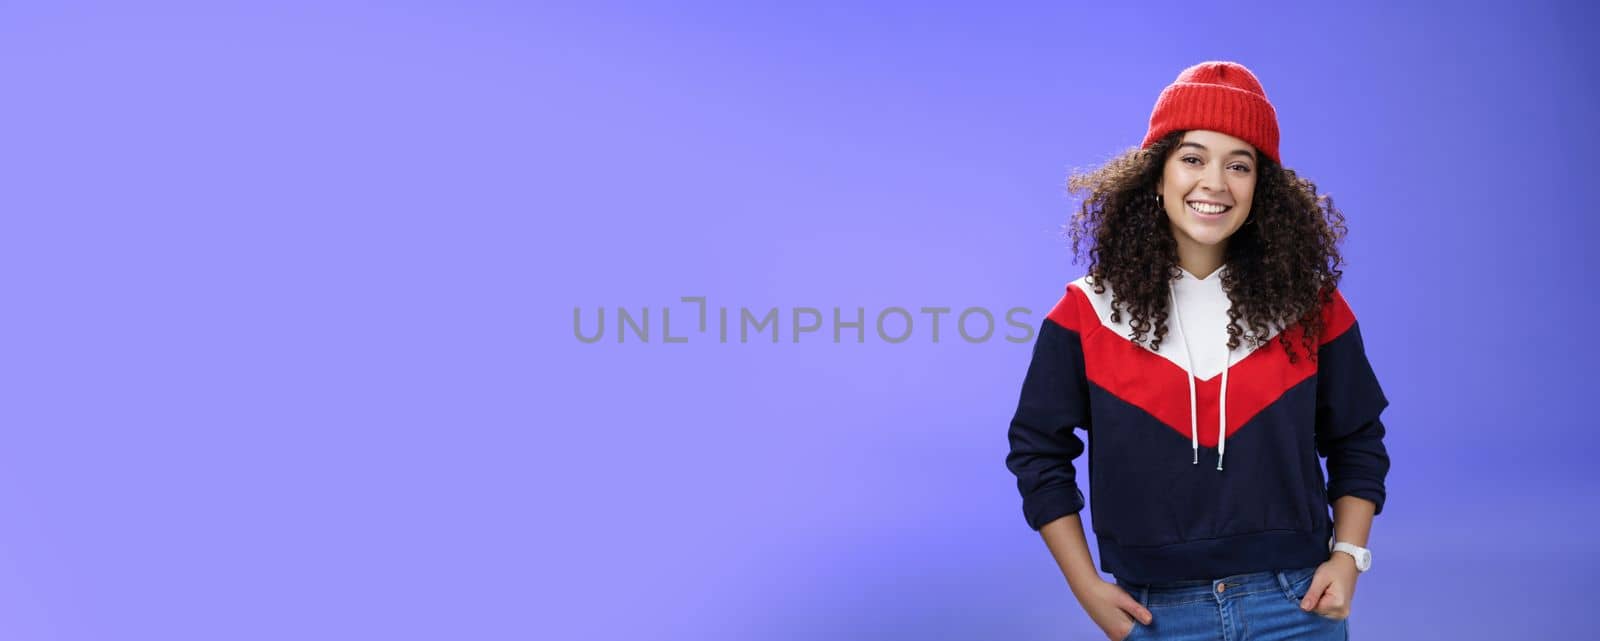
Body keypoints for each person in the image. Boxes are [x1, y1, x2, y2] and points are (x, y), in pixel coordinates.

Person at [1004, 61, 1390, 641]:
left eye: (1240, 165)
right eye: (1192, 158)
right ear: (1155, 176)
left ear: (1262, 189)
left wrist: (1349, 557)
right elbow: (1037, 452)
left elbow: (1357, 436)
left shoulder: (1312, 309)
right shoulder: (1086, 315)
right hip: (1157, 615)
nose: (1215, 182)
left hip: (1296, 605)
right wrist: (1085, 585)